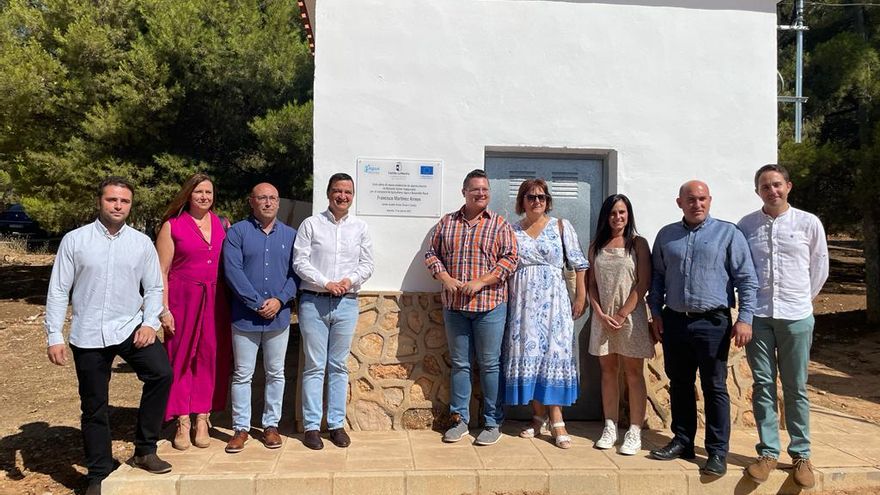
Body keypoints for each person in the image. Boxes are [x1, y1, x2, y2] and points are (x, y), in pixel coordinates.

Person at [44, 177, 173, 495]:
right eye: (112, 200)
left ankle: (145, 450)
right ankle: (98, 472)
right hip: (87, 333)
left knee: (161, 373)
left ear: (130, 205)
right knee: (94, 405)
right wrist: (54, 335)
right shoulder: (76, 240)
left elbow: (155, 286)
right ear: (100, 202)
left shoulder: (141, 243)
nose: (118, 206)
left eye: (124, 201)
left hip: (130, 327)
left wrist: (149, 324)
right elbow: (59, 289)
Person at [647, 180, 758, 477]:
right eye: (691, 199)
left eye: (703, 199)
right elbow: (657, 279)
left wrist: (745, 318)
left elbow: (746, 279)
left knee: (715, 386)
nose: (698, 204)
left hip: (713, 322)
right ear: (679, 202)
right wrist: (655, 313)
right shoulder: (666, 236)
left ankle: (717, 451)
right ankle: (682, 441)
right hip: (675, 320)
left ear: (710, 201)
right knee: (679, 382)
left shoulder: (728, 233)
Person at [738, 164, 829, 488]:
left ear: (788, 186)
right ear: (757, 191)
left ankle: (801, 455)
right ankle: (767, 452)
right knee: (763, 384)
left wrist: (802, 300)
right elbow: (741, 269)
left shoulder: (808, 223)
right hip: (759, 317)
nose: (772, 190)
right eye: (765, 186)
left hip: (796, 317)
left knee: (795, 387)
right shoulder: (747, 225)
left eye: (777, 184)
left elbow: (819, 266)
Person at [425, 169, 518, 446]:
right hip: (455, 308)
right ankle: (460, 420)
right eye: (476, 189)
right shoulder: (447, 223)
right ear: (464, 192)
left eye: (485, 190)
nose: (481, 194)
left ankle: (492, 422)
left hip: (489, 306)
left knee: (490, 365)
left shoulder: (500, 225)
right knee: (461, 366)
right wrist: (445, 278)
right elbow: (432, 254)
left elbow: (510, 260)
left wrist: (480, 282)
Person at [503, 179, 587, 449]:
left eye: (541, 196)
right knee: (534, 358)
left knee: (554, 354)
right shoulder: (512, 230)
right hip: (523, 303)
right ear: (522, 201)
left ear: (547, 200)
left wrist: (581, 296)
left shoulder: (561, 226)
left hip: (555, 302)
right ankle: (537, 417)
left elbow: (579, 263)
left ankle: (557, 418)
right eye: (530, 196)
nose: (536, 201)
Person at [293, 173, 374, 450]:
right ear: (329, 194)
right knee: (315, 366)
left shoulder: (360, 228)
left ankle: (336, 424)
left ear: (352, 196)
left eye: (348, 192)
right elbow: (299, 261)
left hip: (346, 302)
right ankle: (312, 427)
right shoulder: (311, 225)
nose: (342, 196)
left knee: (338, 366)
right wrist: (326, 282)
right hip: (313, 301)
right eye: (338, 191)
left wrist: (347, 281)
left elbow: (367, 264)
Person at [155, 173, 232, 450]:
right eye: (199, 191)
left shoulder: (223, 224)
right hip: (182, 299)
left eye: (209, 192)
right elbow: (161, 272)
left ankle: (203, 417)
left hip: (216, 299)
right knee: (181, 357)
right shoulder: (172, 226)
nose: (204, 197)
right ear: (188, 194)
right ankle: (182, 419)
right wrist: (163, 309)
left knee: (210, 357)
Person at [222, 183, 298, 453]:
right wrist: (256, 303)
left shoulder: (291, 235)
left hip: (279, 317)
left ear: (278, 203)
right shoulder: (237, 233)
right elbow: (233, 272)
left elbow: (296, 273)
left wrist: (279, 300)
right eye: (262, 198)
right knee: (243, 374)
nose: (268, 202)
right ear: (251, 201)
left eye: (273, 198)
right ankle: (241, 428)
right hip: (245, 318)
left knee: (276, 373)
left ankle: (270, 426)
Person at [588, 194, 654, 455]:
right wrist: (600, 313)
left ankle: (635, 431)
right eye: (613, 213)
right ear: (606, 216)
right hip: (603, 318)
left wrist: (623, 313)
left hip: (631, 317)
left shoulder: (638, 244)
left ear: (629, 215)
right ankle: (610, 426)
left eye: (622, 212)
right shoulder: (596, 246)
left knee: (633, 373)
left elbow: (643, 282)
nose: (618, 217)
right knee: (608, 371)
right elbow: (590, 284)